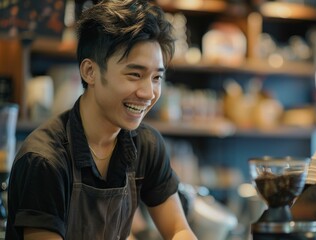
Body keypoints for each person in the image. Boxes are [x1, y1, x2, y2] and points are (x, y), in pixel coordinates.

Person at [6, 0, 197, 239]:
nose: (148, 93)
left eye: (156, 78)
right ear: (90, 71)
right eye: (135, 74)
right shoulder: (45, 160)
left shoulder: (146, 145)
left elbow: (179, 230)